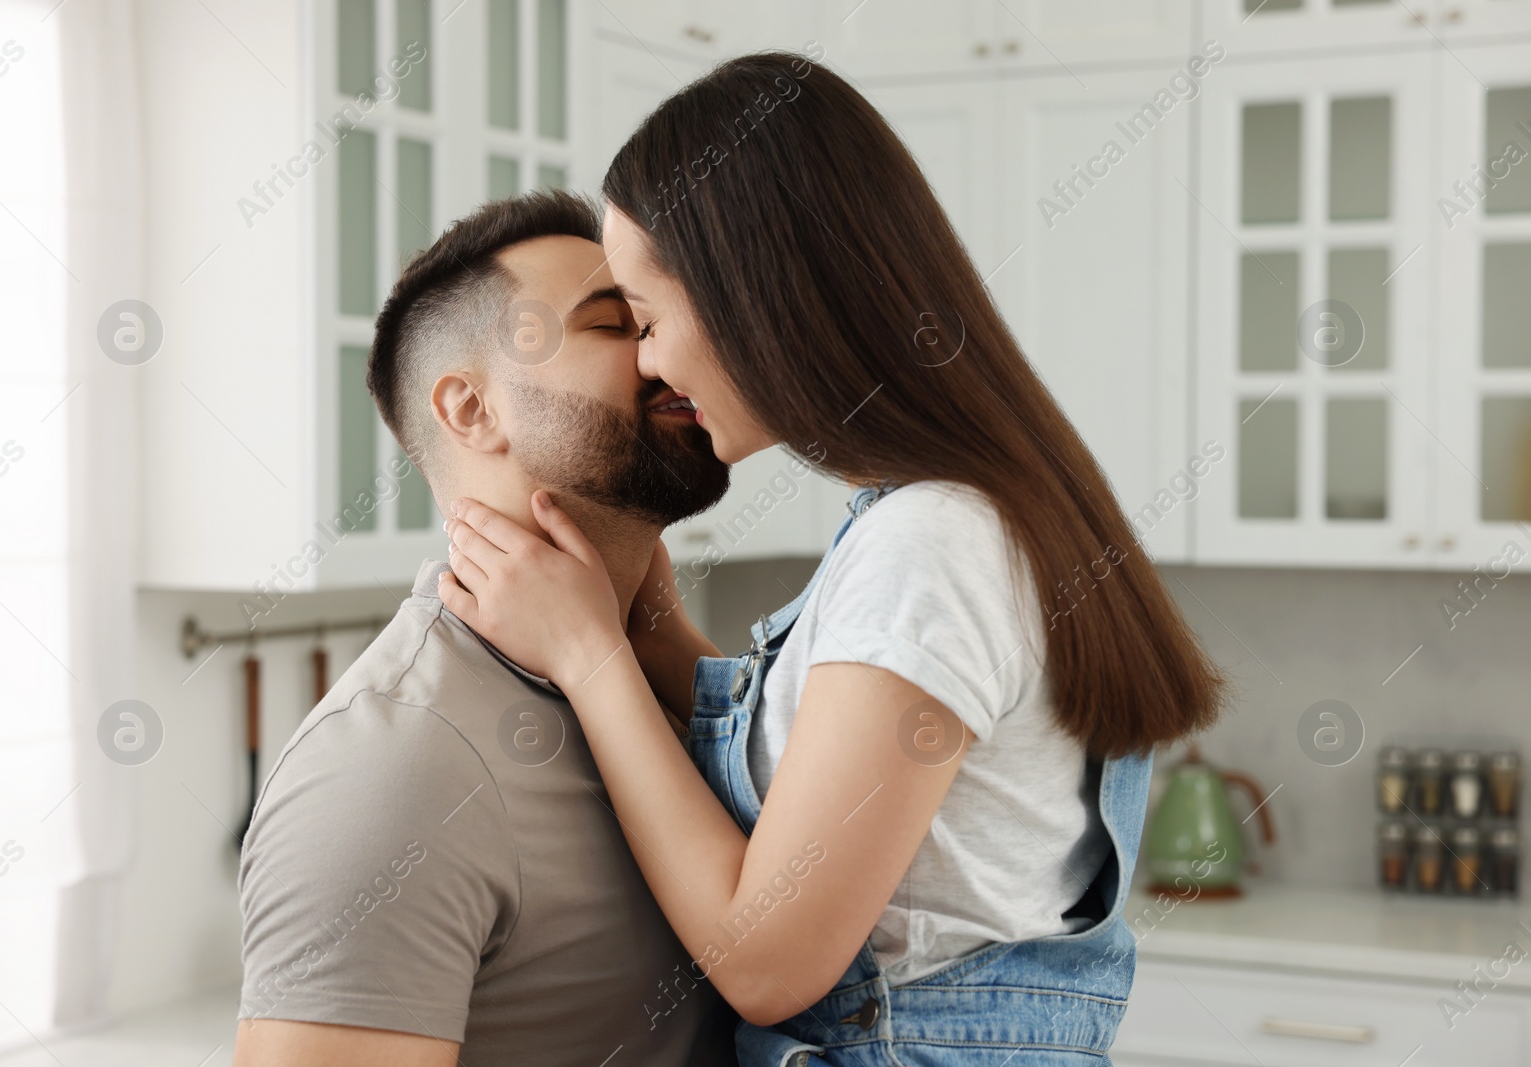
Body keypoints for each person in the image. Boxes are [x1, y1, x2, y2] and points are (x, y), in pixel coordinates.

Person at [437, 53, 1226, 1065]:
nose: (644, 362)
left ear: (753, 296)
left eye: (645, 318)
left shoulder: (931, 546)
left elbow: (768, 959)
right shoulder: (945, 513)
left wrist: (590, 655)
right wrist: (649, 630)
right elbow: (828, 769)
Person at [233, 190, 737, 1067]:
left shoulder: (646, 678)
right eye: (614, 324)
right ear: (471, 409)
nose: (664, 352)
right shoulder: (394, 767)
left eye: (653, 321)